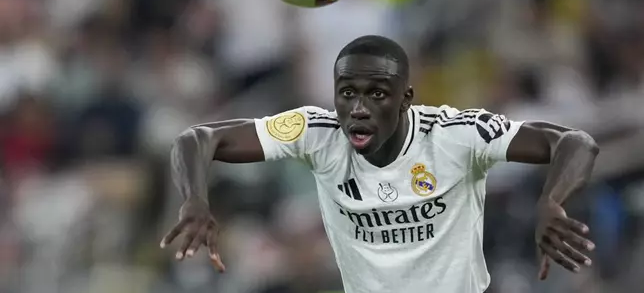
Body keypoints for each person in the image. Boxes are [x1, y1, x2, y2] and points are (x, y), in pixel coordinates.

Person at [160, 35, 599, 292]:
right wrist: (194, 199)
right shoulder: (316, 131)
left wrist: (551, 201)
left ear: (407, 98)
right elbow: (198, 138)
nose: (359, 108)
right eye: (347, 93)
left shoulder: (455, 134)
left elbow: (574, 142)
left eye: (377, 94)